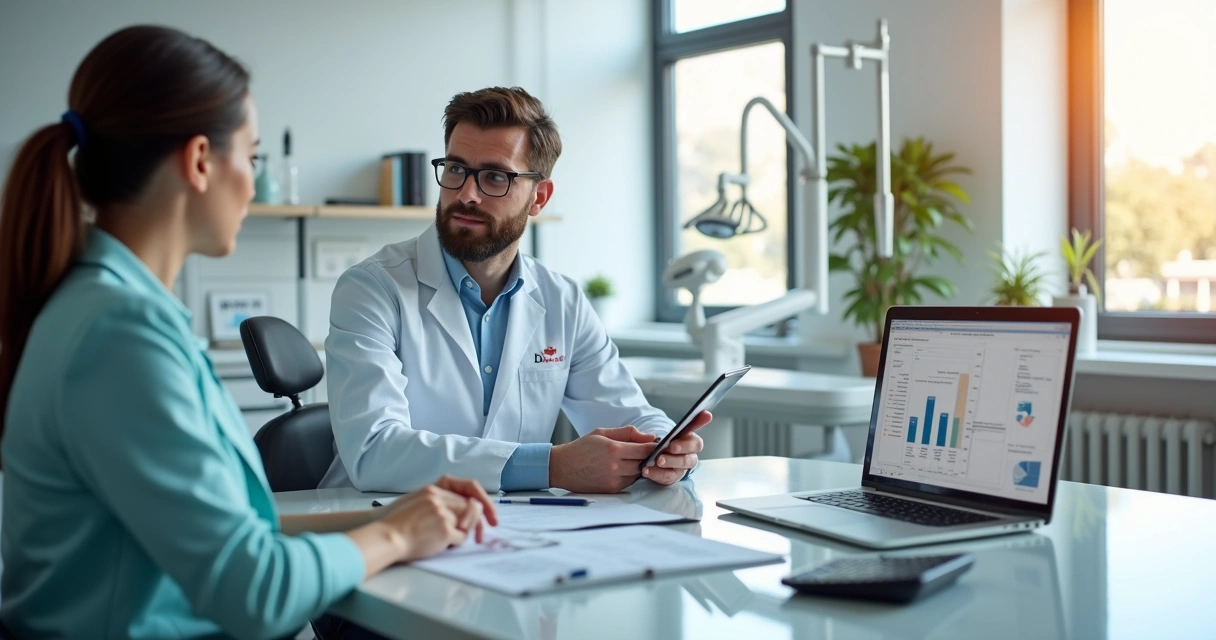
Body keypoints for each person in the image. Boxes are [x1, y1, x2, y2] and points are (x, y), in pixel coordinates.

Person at [0, 26, 495, 640]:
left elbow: (233, 533)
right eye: (253, 156)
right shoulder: (120, 334)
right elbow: (253, 591)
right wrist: (393, 536)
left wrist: (400, 515)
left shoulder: (109, 309)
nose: (252, 178)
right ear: (201, 161)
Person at [321, 86, 711, 495]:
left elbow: (629, 412)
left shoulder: (563, 300)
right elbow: (373, 451)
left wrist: (668, 450)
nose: (466, 194)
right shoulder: (372, 288)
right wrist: (552, 467)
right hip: (380, 524)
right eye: (455, 169)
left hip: (511, 531)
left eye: (494, 177)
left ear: (538, 198)